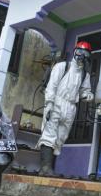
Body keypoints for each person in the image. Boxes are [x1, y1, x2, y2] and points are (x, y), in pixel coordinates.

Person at [36, 41, 94, 176]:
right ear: (74, 51)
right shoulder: (62, 66)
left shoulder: (85, 74)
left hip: (71, 107)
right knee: (49, 134)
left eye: (85, 53)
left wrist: (88, 96)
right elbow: (52, 86)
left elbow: (84, 91)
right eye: (79, 51)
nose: (81, 55)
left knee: (60, 137)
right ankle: (45, 168)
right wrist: (49, 104)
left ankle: (49, 169)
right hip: (56, 102)